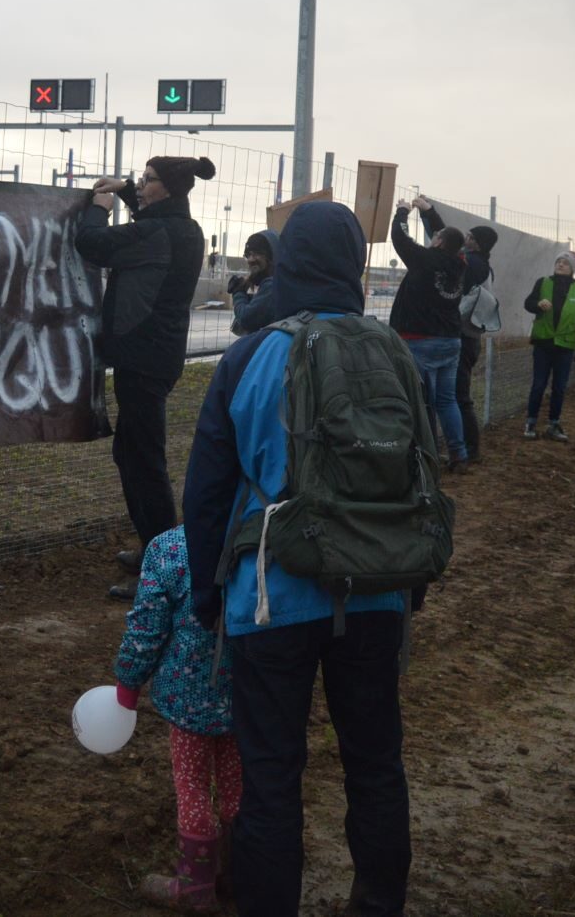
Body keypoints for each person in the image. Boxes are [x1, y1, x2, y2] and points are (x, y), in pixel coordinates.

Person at [182, 201, 418, 916]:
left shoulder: (249, 356)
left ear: (287, 261)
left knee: (272, 775)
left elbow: (206, 491)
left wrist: (204, 594)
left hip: (270, 595)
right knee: (376, 764)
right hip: (377, 590)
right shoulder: (392, 352)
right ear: (352, 262)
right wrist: (408, 588)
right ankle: (378, 903)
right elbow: (419, 478)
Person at [78, 156, 214, 601]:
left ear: (168, 189)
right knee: (132, 454)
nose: (140, 185)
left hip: (144, 360)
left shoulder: (157, 233)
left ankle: (164, 566)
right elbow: (146, 214)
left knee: (144, 463)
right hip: (155, 357)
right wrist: (122, 190)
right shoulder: (182, 228)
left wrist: (98, 206)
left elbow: (92, 243)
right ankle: (154, 545)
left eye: (147, 180)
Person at [114, 525, 239, 909]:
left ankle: (195, 886)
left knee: (192, 785)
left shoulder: (170, 549)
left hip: (187, 701)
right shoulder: (259, 543)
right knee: (240, 785)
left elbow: (147, 626)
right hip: (249, 697)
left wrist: (128, 682)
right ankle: (240, 876)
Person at [389, 196, 469, 470]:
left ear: (437, 243)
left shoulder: (424, 260)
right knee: (447, 400)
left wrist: (402, 212)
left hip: (419, 340)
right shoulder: (459, 263)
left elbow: (400, 240)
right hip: (450, 340)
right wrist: (429, 212)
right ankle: (459, 455)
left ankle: (428, 456)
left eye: (435, 237)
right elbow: (448, 237)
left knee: (421, 401)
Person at [522, 252, 575, 441]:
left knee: (560, 387)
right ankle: (531, 421)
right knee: (538, 384)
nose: (560, 265)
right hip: (543, 342)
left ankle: (553, 423)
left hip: (565, 345)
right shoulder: (543, 282)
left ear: (572, 269)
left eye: (565, 263)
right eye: (558, 262)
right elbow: (528, 303)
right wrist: (538, 304)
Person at [455, 226, 500, 463]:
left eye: (470, 237)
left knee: (460, 395)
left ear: (478, 244)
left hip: (463, 337)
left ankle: (470, 449)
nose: (466, 239)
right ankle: (467, 446)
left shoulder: (473, 264)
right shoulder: (483, 265)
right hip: (470, 337)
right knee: (458, 394)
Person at [229, 231, 278, 337]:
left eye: (256, 254)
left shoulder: (272, 285)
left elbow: (246, 319)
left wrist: (239, 293)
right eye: (248, 255)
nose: (251, 259)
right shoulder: (275, 281)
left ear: (270, 256)